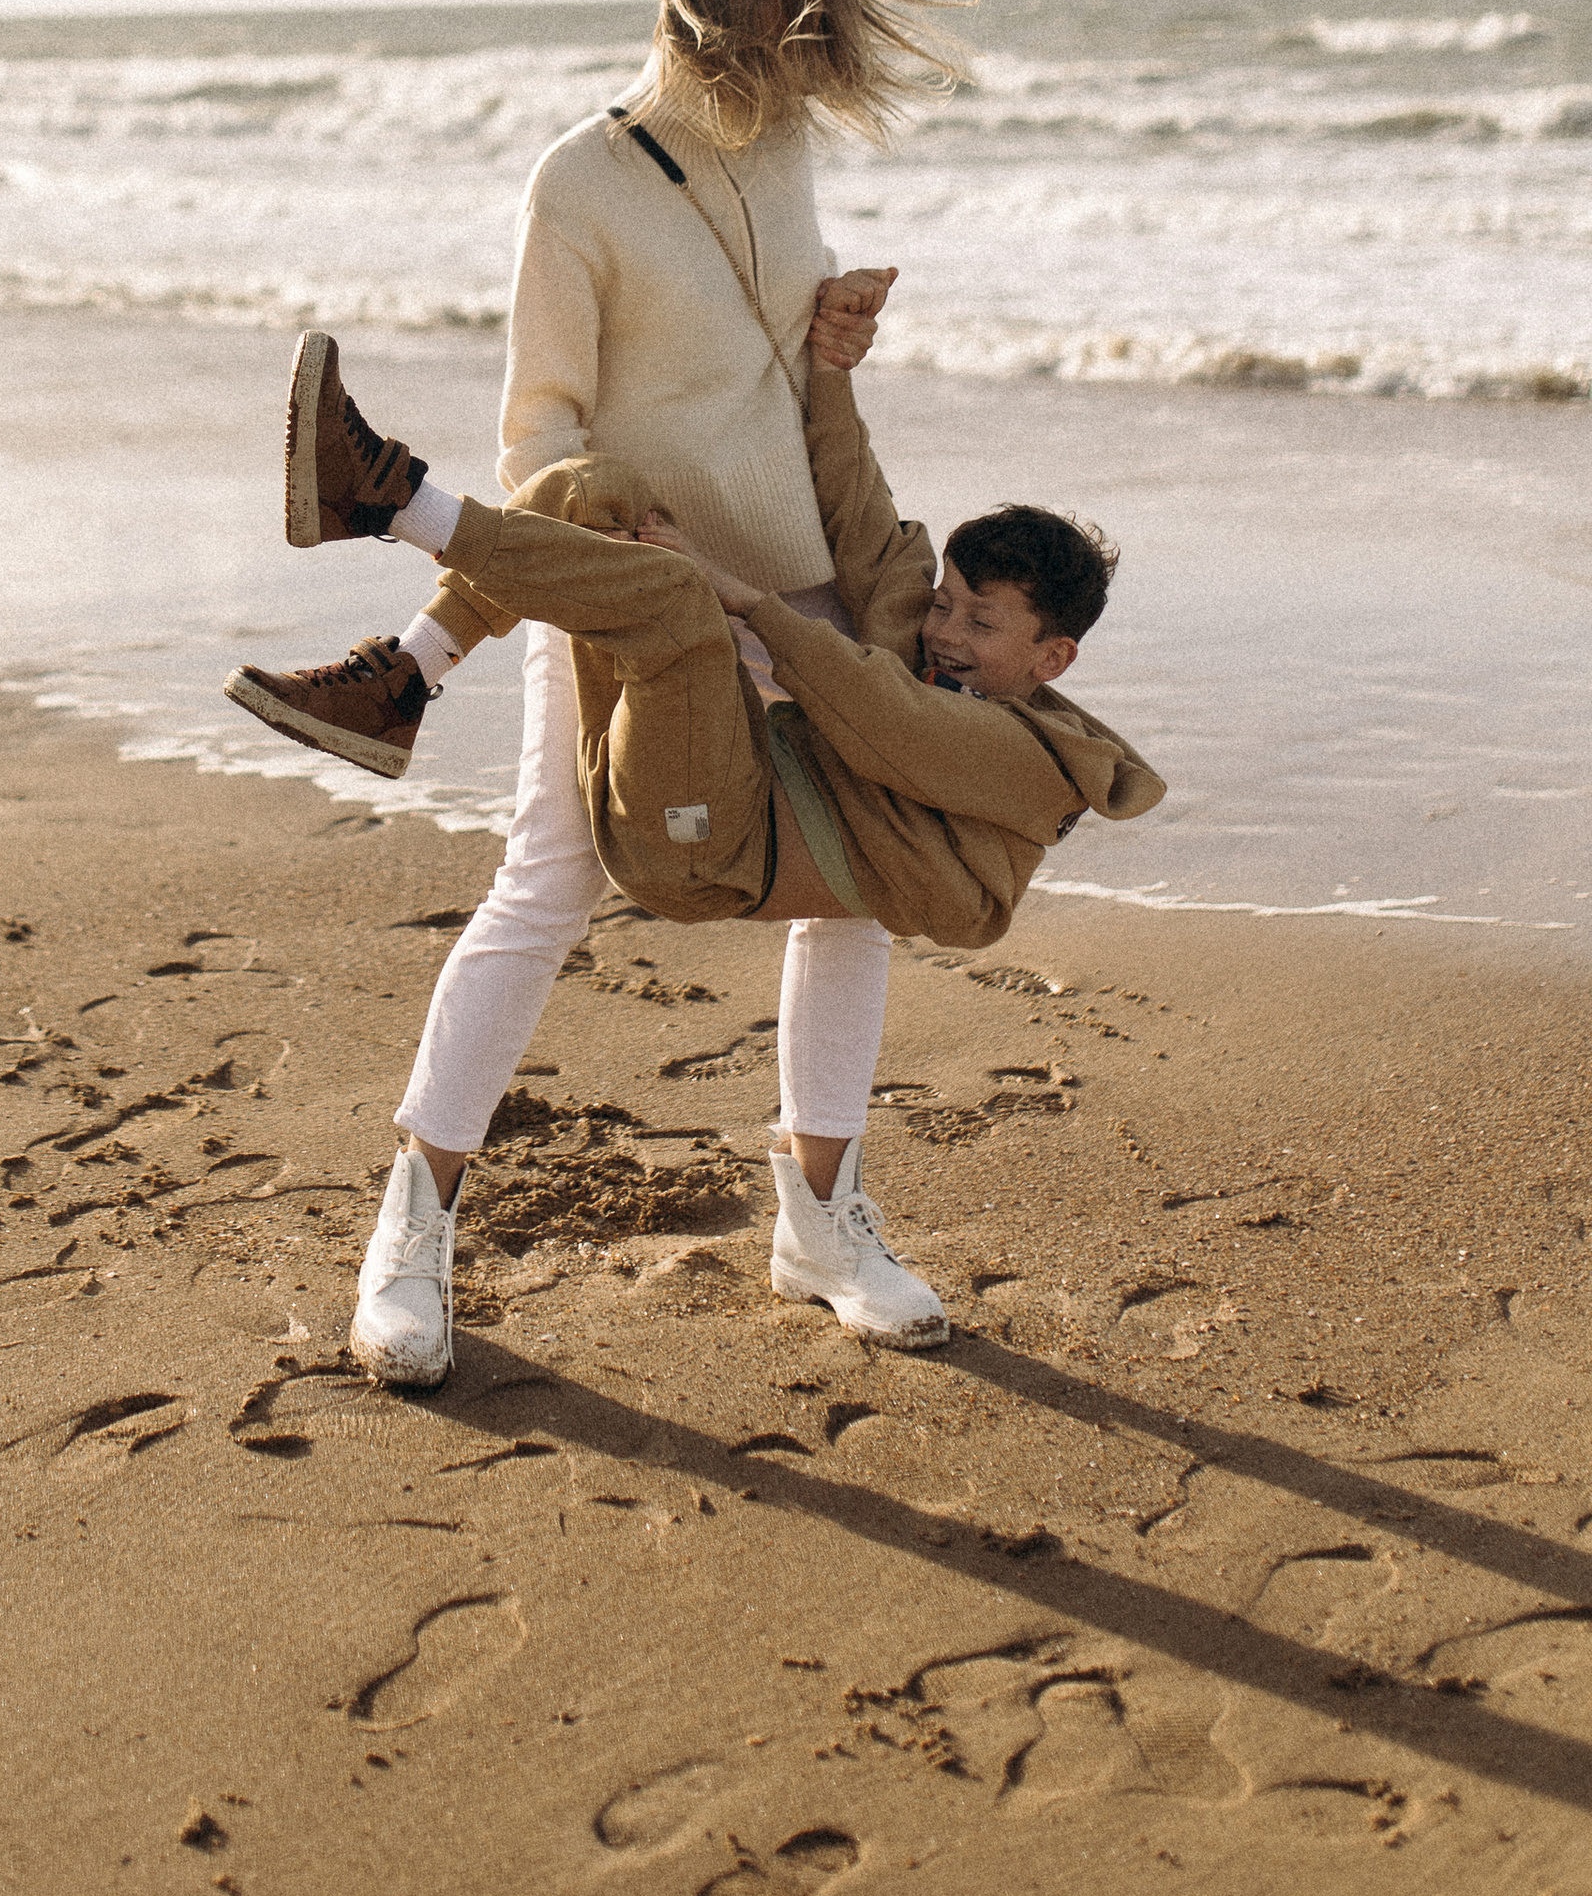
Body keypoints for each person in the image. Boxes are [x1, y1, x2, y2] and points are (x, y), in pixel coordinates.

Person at [225, 0, 955, 1356]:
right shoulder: (580, 184)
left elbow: (755, 366)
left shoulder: (787, 142)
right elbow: (539, 439)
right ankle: (410, 1238)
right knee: (549, 887)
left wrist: (832, 338)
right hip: (632, 590)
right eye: (778, 45)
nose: (798, 76)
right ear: (715, 31)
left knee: (856, 878)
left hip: (797, 573)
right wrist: (634, 544)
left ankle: (820, 1222)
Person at [266, 327, 1163, 1387]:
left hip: (705, 851)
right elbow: (851, 486)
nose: (946, 632)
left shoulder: (1030, 757)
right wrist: (829, 365)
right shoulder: (905, 617)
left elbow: (887, 718)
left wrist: (741, 597)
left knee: (676, 601)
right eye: (944, 602)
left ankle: (391, 503)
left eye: (983, 621)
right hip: (693, 771)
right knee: (595, 485)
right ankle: (403, 677)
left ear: (1051, 657)